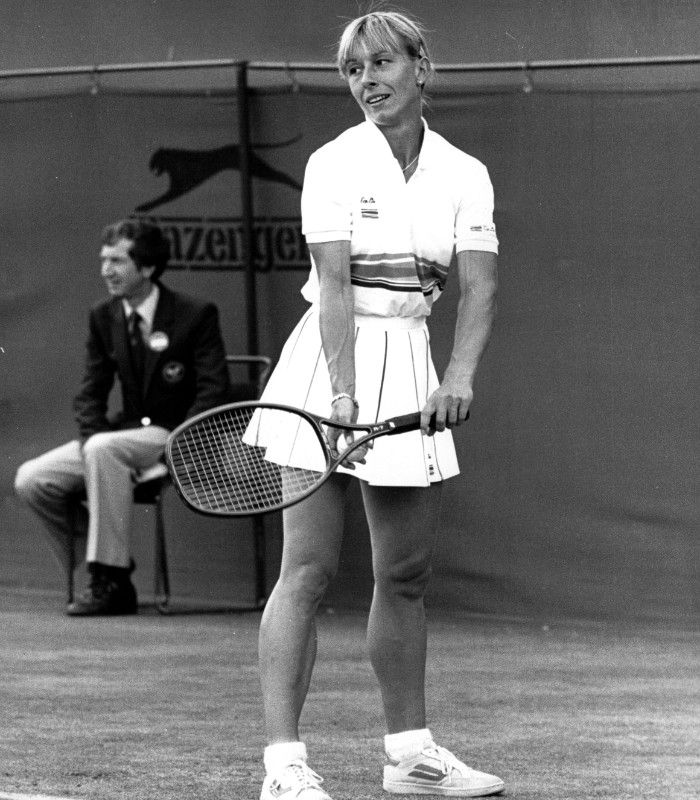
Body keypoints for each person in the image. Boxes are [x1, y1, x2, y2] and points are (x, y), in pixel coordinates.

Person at [255, 10, 503, 800]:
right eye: (354, 69)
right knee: (306, 570)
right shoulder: (333, 162)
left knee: (404, 572)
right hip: (327, 367)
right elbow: (332, 286)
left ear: (421, 67)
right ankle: (284, 768)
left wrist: (456, 377)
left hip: (411, 360)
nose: (368, 81)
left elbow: (480, 285)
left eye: (383, 62)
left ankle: (410, 757)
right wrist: (342, 395)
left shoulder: (466, 171)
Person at [14, 219, 230, 616]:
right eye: (103, 260)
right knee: (31, 479)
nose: (105, 271)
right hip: (119, 439)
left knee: (102, 448)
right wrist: (92, 438)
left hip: (174, 435)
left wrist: (175, 451)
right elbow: (89, 392)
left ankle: (108, 579)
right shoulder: (103, 316)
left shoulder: (195, 315)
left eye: (116, 261)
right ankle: (115, 566)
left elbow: (214, 391)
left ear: (146, 268)